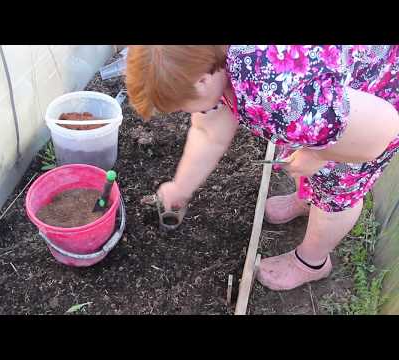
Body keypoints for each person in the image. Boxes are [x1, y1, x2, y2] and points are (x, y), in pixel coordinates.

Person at [125, 45, 399, 291]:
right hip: (321, 98)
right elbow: (210, 129)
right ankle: (307, 200)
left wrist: (320, 156)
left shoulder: (275, 94)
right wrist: (180, 186)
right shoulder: (209, 58)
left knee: (336, 188)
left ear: (203, 80)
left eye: (181, 106)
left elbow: (383, 129)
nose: (183, 112)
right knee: (304, 144)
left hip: (372, 104)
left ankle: (312, 262)